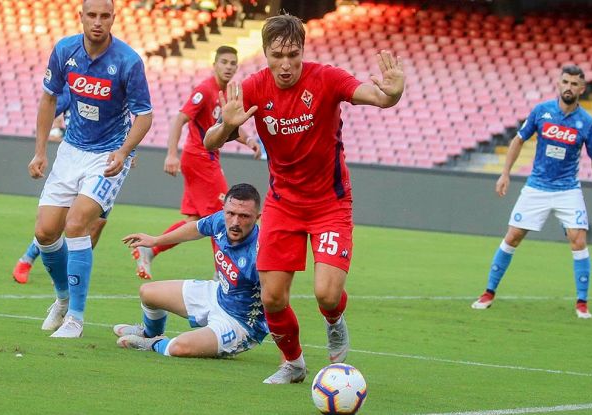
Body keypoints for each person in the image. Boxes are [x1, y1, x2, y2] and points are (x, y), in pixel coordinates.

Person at [204, 14, 405, 383]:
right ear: (265, 53)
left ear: (302, 51)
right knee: (272, 298)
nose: (285, 64)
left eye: (293, 54)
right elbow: (210, 142)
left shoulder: (326, 78)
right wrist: (227, 125)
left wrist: (391, 93)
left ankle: (334, 319)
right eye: (277, 55)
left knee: (327, 294)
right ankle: (293, 363)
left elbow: (375, 95)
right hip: (283, 204)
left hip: (330, 203)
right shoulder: (251, 87)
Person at [28, 0, 152, 338]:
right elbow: (48, 99)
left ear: (114, 18)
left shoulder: (128, 61)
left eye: (105, 16)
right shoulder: (64, 51)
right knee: (44, 232)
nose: (98, 22)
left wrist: (125, 151)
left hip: (108, 155)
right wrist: (40, 151)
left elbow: (145, 115)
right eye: (92, 15)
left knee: (77, 224)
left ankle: (76, 320)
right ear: (81, 17)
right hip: (71, 150)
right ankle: (63, 299)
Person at [471, 65, 592, 319]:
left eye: (574, 84)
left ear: (582, 88)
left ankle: (581, 303)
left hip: (568, 189)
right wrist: (505, 173)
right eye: (565, 82)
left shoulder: (586, 123)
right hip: (537, 186)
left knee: (578, 239)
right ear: (558, 83)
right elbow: (518, 140)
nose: (568, 87)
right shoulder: (542, 112)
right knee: (512, 236)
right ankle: (488, 292)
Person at [132, 45, 260, 280]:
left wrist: (249, 139)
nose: (229, 67)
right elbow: (180, 119)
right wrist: (171, 154)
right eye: (224, 62)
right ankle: (223, 274)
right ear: (214, 64)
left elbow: (227, 127)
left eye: (233, 63)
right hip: (201, 158)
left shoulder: (227, 94)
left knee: (194, 220)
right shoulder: (205, 90)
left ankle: (150, 249)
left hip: (205, 158)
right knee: (223, 215)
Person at [115, 183, 268, 358]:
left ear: (257, 217)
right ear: (224, 209)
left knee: (179, 348)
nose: (235, 222)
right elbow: (195, 228)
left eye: (244, 216)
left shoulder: (260, 253)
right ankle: (150, 334)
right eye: (230, 213)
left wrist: (290, 357)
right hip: (218, 294)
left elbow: (277, 301)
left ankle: (154, 344)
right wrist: (156, 241)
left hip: (239, 323)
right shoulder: (220, 221)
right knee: (147, 292)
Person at [13, 85, 108, 284]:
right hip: (76, 160)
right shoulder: (77, 80)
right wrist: (54, 131)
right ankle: (27, 259)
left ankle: (72, 268)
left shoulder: (116, 78)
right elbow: (51, 105)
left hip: (105, 161)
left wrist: (128, 151)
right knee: (60, 222)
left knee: (97, 224)